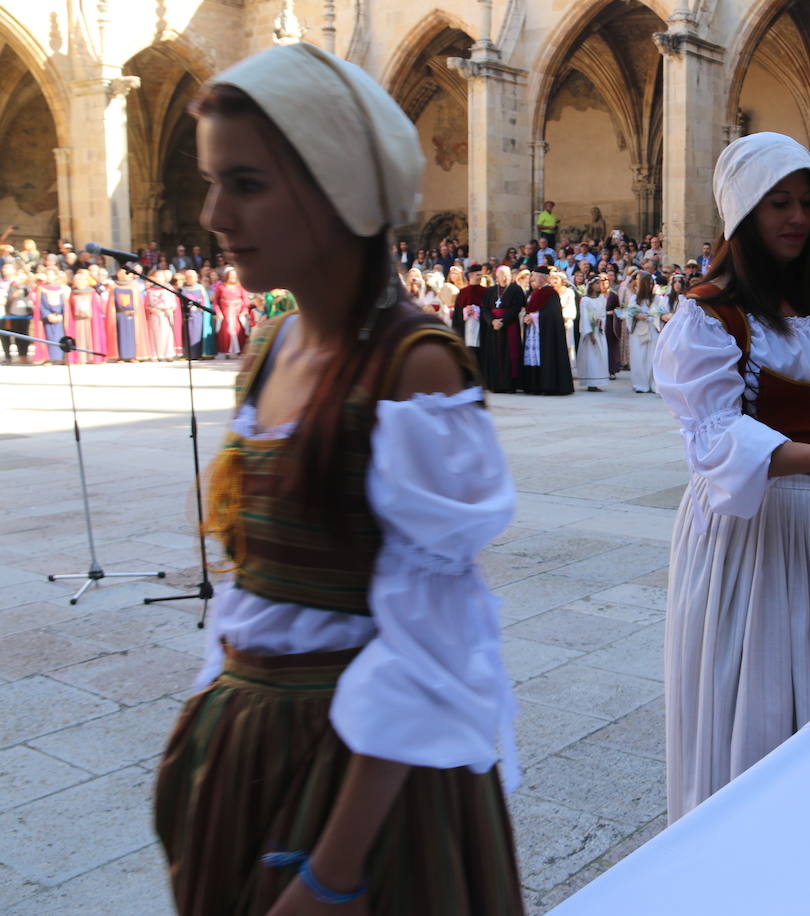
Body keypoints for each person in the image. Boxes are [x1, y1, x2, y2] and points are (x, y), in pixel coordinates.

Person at [154, 42, 524, 915]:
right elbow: (257, 591)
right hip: (251, 756)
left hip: (359, 789)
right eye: (213, 183)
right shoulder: (268, 350)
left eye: (245, 184)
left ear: (337, 188)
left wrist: (334, 870)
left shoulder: (414, 371)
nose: (212, 214)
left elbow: (430, 643)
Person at [654, 132, 810, 822]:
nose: (796, 217)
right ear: (742, 213)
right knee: (761, 693)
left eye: (805, 202)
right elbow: (715, 439)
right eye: (777, 203)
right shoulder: (710, 315)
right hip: (754, 533)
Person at [520, 265, 573, 395]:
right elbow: (529, 309)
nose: (532, 279)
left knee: (545, 357)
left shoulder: (551, 293)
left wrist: (534, 317)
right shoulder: (534, 293)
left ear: (543, 278)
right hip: (534, 331)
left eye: (535, 277)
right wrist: (526, 317)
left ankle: (547, 386)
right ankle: (534, 385)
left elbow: (552, 314)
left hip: (545, 333)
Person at [479, 265, 523, 394]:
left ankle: (509, 384)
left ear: (509, 275)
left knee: (510, 355)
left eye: (505, 274)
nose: (502, 277)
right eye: (500, 274)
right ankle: (495, 384)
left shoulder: (516, 289)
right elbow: (485, 309)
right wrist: (492, 321)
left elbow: (517, 307)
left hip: (509, 326)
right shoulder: (491, 290)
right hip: (493, 328)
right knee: (494, 354)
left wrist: (503, 321)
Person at [620, 271, 663, 393]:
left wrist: (651, 317)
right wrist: (636, 315)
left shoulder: (656, 298)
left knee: (652, 357)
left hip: (652, 330)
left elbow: (660, 313)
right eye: (648, 283)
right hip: (638, 331)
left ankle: (653, 383)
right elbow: (629, 313)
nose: (650, 286)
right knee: (638, 357)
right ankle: (640, 384)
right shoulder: (634, 298)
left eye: (651, 283)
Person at [575, 276, 610, 390]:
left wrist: (600, 326)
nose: (598, 286)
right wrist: (590, 333)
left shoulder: (602, 299)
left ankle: (598, 380)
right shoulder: (585, 300)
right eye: (596, 283)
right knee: (590, 357)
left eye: (600, 284)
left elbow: (603, 315)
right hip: (590, 333)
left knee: (600, 356)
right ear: (590, 285)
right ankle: (590, 382)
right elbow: (584, 317)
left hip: (599, 331)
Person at [34, 267, 69, 365]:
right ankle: (49, 358)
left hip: (59, 318)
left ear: (55, 276)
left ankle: (61, 358)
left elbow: (64, 303)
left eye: (52, 274)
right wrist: (47, 315)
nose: (50, 277)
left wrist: (62, 315)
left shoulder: (61, 289)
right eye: (48, 274)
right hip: (48, 318)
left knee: (60, 337)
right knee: (48, 338)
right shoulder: (42, 289)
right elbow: (41, 304)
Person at [213, 265, 251, 356]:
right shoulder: (220, 287)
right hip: (225, 313)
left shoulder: (240, 287)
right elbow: (216, 302)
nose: (233, 277)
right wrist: (218, 312)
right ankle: (227, 351)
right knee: (226, 331)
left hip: (238, 313)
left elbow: (246, 300)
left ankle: (239, 351)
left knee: (239, 330)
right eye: (231, 275)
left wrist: (244, 311)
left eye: (234, 275)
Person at [453, 264, 484, 356]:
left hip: (481, 328)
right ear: (470, 275)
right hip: (465, 328)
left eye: (481, 275)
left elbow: (488, 310)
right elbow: (457, 313)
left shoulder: (486, 292)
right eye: (478, 275)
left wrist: (477, 310)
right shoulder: (462, 292)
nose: (480, 277)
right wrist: (465, 312)